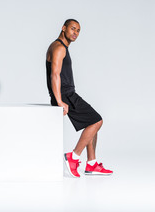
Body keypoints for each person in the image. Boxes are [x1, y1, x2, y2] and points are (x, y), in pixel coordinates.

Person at [46, 19, 113, 177]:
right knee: (97, 121)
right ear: (64, 28)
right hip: (65, 95)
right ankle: (73, 157)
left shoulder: (61, 47)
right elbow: (54, 74)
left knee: (92, 121)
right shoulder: (59, 48)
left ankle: (92, 164)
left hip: (66, 93)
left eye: (78, 31)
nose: (75, 33)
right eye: (72, 29)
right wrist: (59, 100)